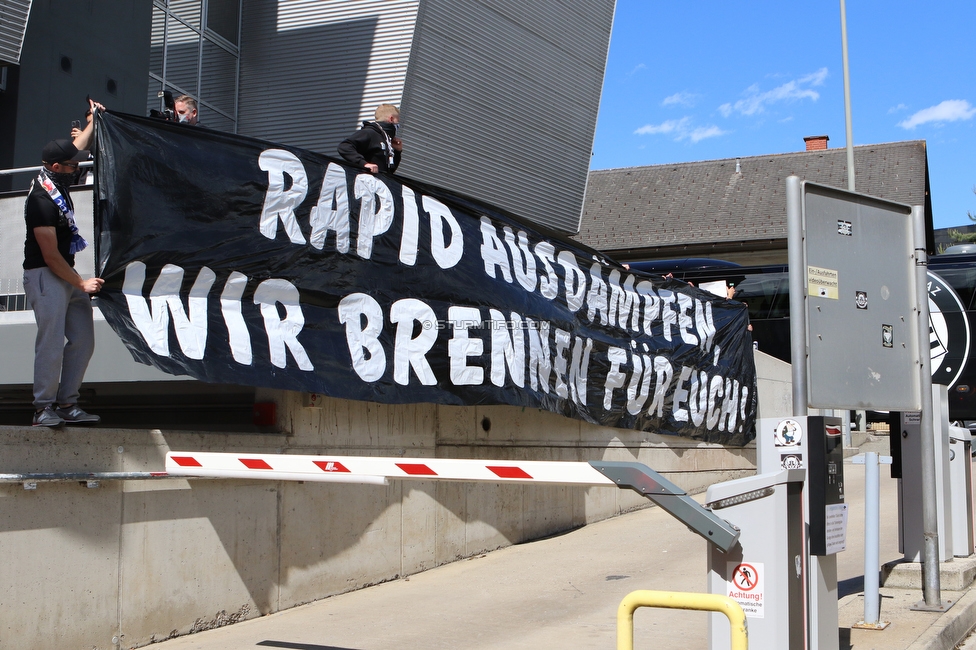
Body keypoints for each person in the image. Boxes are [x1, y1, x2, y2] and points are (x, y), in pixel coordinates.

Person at [23, 129, 105, 427]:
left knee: (83, 341)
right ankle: (42, 408)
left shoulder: (56, 177)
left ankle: (68, 403)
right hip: (46, 274)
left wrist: (93, 122)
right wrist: (81, 283)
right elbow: (49, 255)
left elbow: (75, 147)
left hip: (66, 275)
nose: (77, 169)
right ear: (56, 168)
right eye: (73, 166)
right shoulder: (41, 199)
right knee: (52, 342)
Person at [337, 103, 403, 173]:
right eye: (397, 123)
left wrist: (397, 151)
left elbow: (390, 170)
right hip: (365, 181)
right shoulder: (370, 133)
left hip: (379, 182)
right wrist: (364, 163)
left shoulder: (386, 140)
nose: (397, 127)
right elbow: (344, 146)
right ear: (391, 119)